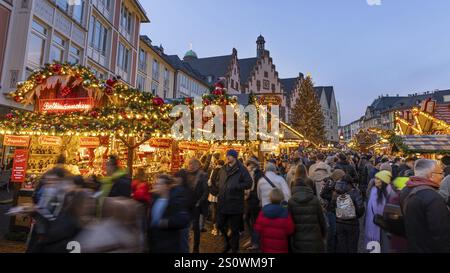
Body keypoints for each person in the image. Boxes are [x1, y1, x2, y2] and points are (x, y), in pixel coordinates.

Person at [400, 159, 450, 252]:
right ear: (431, 175)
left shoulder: (406, 190)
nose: (443, 176)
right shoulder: (433, 197)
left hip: (414, 246)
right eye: (440, 173)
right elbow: (441, 234)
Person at [216, 149, 252, 253]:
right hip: (223, 203)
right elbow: (218, 180)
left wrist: (236, 186)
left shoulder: (242, 169)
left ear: (234, 157)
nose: (227, 157)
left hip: (235, 204)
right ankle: (228, 244)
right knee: (220, 225)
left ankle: (234, 249)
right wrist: (218, 188)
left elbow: (249, 183)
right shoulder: (223, 169)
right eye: (227, 155)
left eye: (230, 155)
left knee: (235, 230)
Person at [147, 174, 191, 253]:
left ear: (166, 186)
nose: (154, 186)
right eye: (155, 183)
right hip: (155, 245)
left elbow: (184, 220)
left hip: (169, 246)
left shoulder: (174, 201)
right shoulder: (154, 199)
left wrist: (165, 222)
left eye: (158, 184)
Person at [289, 177, 327, 253]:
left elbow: (290, 223)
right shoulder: (315, 199)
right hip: (315, 238)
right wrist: (323, 234)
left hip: (299, 240)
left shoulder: (291, 201)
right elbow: (321, 220)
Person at [254, 188, 295, 253]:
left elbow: (257, 229)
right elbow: (290, 230)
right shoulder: (285, 212)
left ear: (270, 198)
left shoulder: (263, 211)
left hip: (266, 246)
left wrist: (256, 243)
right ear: (282, 198)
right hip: (281, 247)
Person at [334, 175, 365, 253]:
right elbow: (360, 209)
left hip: (339, 223)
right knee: (352, 247)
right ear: (351, 182)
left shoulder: (337, 192)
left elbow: (332, 206)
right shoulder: (355, 192)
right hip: (352, 224)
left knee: (342, 247)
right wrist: (355, 216)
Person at [364, 170, 393, 251]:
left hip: (385, 227)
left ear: (384, 180)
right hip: (373, 224)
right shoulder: (373, 191)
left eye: (378, 178)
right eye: (375, 178)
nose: (375, 180)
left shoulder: (390, 192)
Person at [186, 158, 209, 253]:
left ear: (197, 165)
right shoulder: (187, 174)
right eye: (189, 164)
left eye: (192, 164)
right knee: (187, 226)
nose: (190, 166)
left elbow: (206, 191)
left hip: (196, 206)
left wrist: (199, 202)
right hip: (188, 204)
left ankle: (196, 248)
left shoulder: (203, 175)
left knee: (196, 228)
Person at [320, 169, 346, 253]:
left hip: (334, 209)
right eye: (341, 177)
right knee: (333, 231)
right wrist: (332, 197)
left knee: (335, 230)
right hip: (330, 209)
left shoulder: (334, 182)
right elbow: (323, 194)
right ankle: (332, 248)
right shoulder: (330, 182)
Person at [244, 157, 263, 251]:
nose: (248, 166)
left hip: (255, 201)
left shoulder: (259, 174)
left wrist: (249, 193)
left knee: (254, 221)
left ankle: (255, 240)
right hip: (249, 201)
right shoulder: (250, 173)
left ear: (254, 164)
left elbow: (258, 190)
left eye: (250, 164)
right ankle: (253, 238)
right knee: (248, 219)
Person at [208, 159, 224, 236]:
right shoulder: (225, 171)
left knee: (214, 211)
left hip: (214, 194)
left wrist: (214, 191)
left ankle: (215, 229)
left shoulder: (213, 170)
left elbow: (210, 182)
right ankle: (221, 229)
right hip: (222, 194)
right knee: (221, 211)